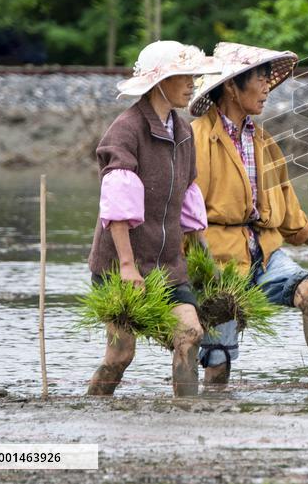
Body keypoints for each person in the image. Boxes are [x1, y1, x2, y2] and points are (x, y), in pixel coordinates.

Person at [189, 43, 308, 390]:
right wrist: (206, 273)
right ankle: (211, 407)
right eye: (260, 79)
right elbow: (184, 217)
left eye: (268, 79)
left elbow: (291, 216)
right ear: (232, 85)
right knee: (218, 361)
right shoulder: (196, 140)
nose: (267, 87)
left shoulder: (264, 143)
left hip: (263, 253)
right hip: (218, 258)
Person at [87, 40, 220, 396]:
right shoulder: (126, 130)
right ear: (159, 82)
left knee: (190, 334)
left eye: (193, 76)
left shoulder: (184, 131)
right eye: (183, 76)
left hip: (167, 266)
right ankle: (94, 407)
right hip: (120, 265)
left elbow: (187, 200)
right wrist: (127, 267)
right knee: (120, 354)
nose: (192, 83)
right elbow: (118, 206)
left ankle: (185, 412)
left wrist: (205, 259)